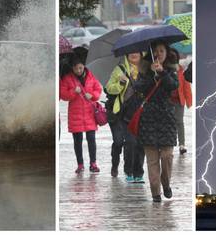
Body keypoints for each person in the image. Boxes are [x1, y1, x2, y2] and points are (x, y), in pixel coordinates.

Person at [135, 41, 179, 202]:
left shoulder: (171, 70)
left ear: (167, 53)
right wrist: (149, 75)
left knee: (167, 156)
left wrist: (162, 73)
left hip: (167, 119)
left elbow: (173, 86)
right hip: (148, 120)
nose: (159, 54)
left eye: (162, 51)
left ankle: (166, 184)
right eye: (156, 51)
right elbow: (138, 87)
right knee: (152, 160)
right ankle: (155, 194)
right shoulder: (144, 70)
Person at [106, 52, 145, 183]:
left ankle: (139, 172)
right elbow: (109, 88)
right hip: (125, 113)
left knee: (140, 144)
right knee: (130, 143)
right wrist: (120, 84)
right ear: (126, 54)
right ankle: (128, 171)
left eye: (137, 52)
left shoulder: (146, 69)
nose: (134, 54)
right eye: (131, 52)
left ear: (141, 54)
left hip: (142, 112)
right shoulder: (120, 69)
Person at [60, 55, 102, 173]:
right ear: (72, 68)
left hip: (89, 113)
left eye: (80, 68)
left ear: (84, 66)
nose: (79, 70)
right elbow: (63, 95)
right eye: (76, 68)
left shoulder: (90, 76)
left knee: (91, 139)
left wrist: (92, 95)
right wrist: (73, 92)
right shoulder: (67, 78)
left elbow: (98, 89)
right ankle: (80, 164)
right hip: (75, 114)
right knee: (77, 141)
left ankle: (93, 163)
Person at [170, 49, 192, 154]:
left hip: (179, 101)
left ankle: (182, 145)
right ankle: (169, 143)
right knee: (169, 122)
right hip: (167, 101)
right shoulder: (165, 70)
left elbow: (186, 86)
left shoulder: (181, 71)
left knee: (179, 122)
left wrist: (189, 100)